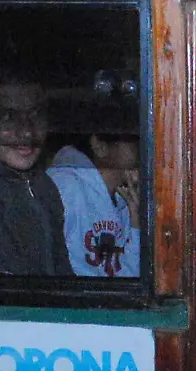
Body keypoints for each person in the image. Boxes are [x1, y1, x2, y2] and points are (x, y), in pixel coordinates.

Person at [0, 68, 71, 276]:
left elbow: (63, 276)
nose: (27, 131)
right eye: (8, 117)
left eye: (36, 114)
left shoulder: (44, 186)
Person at [48, 100, 141, 278]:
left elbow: (129, 278)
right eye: (130, 137)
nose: (140, 144)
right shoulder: (65, 187)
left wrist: (137, 223)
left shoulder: (127, 199)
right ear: (99, 145)